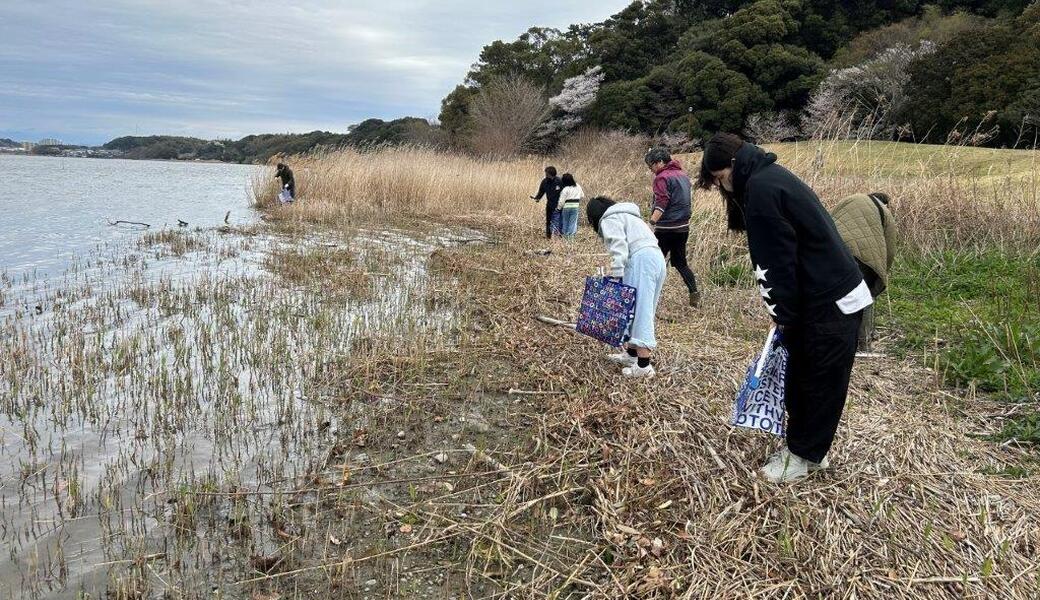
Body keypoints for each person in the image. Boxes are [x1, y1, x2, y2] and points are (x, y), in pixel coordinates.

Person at [697, 133, 872, 484]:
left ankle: (802, 456)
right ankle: (809, 451)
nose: (723, 188)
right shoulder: (771, 175)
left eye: (719, 179)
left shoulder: (761, 192)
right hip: (829, 293)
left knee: (817, 379)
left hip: (829, 300)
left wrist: (783, 318)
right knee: (813, 376)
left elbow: (775, 266)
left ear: (731, 166)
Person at [586, 196, 667, 378]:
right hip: (656, 258)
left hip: (641, 261)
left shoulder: (608, 218)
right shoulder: (629, 215)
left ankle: (644, 366)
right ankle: (631, 354)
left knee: (640, 310)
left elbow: (618, 247)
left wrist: (615, 275)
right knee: (639, 307)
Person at [830, 192, 897, 352]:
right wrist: (880, 276)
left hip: (834, 249)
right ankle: (863, 344)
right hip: (862, 256)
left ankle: (833, 336)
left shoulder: (848, 198)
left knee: (834, 294)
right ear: (884, 203)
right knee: (864, 296)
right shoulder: (884, 211)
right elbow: (890, 249)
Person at [645, 147, 700, 307]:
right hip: (683, 227)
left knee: (655, 261)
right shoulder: (683, 175)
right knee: (680, 262)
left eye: (652, 165)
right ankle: (693, 292)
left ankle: (648, 297)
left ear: (660, 162)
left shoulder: (661, 178)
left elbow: (662, 202)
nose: (651, 170)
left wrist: (651, 223)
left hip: (666, 228)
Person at [530, 166, 563, 239]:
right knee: (549, 221)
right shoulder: (544, 181)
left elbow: (565, 192)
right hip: (549, 205)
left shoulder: (559, 181)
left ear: (551, 174)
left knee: (559, 221)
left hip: (559, 205)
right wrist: (537, 198)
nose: (545, 175)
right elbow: (541, 191)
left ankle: (560, 236)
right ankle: (548, 236)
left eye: (546, 173)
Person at [558, 173, 584, 240]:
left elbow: (561, 201)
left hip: (566, 207)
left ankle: (565, 238)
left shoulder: (565, 189)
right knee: (572, 223)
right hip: (575, 207)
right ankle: (570, 239)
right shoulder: (578, 186)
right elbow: (582, 195)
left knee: (565, 222)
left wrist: (559, 208)